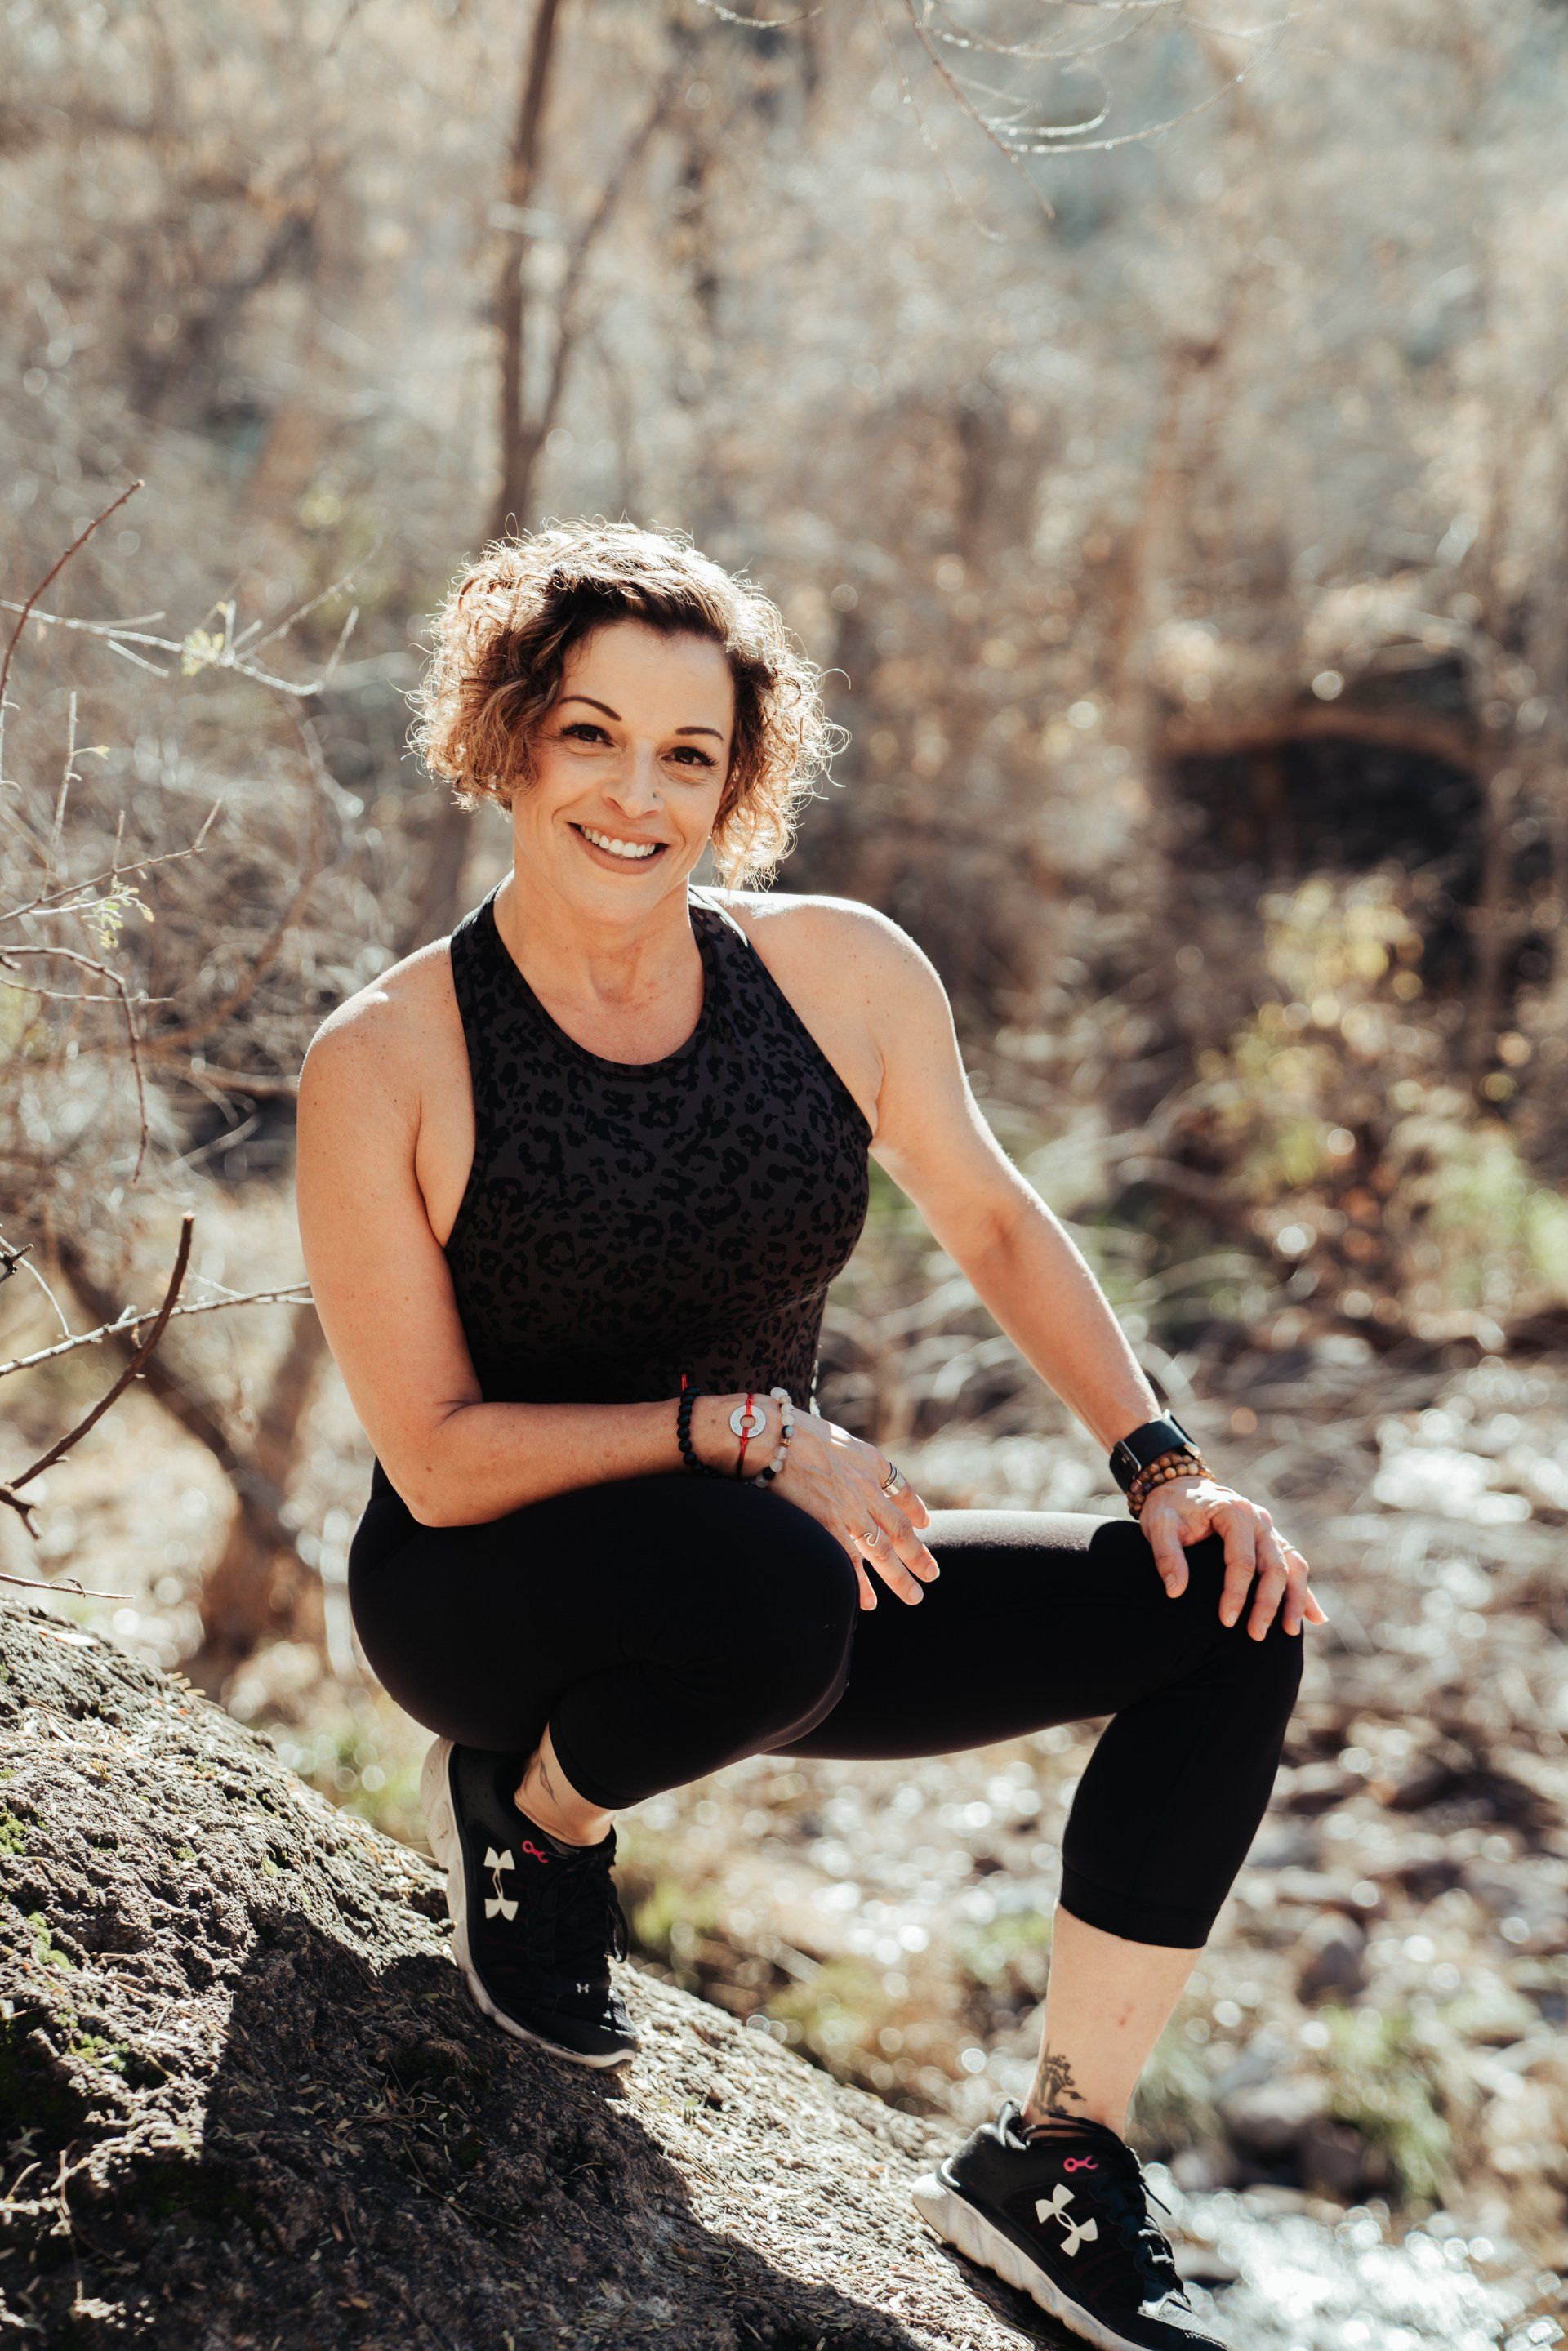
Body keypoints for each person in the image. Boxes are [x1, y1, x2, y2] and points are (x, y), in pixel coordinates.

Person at [296, 519, 1326, 2351]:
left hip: (774, 1586)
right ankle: (533, 1823)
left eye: (688, 754)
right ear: (508, 737)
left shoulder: (838, 976)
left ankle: (1059, 2154)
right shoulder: (388, 1058)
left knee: (1228, 1612)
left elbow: (992, 1218)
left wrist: (1165, 1467)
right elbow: (437, 1457)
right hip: (485, 1594)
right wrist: (746, 1437)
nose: (637, 796)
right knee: (776, 1576)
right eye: (592, 735)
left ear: (738, 781)